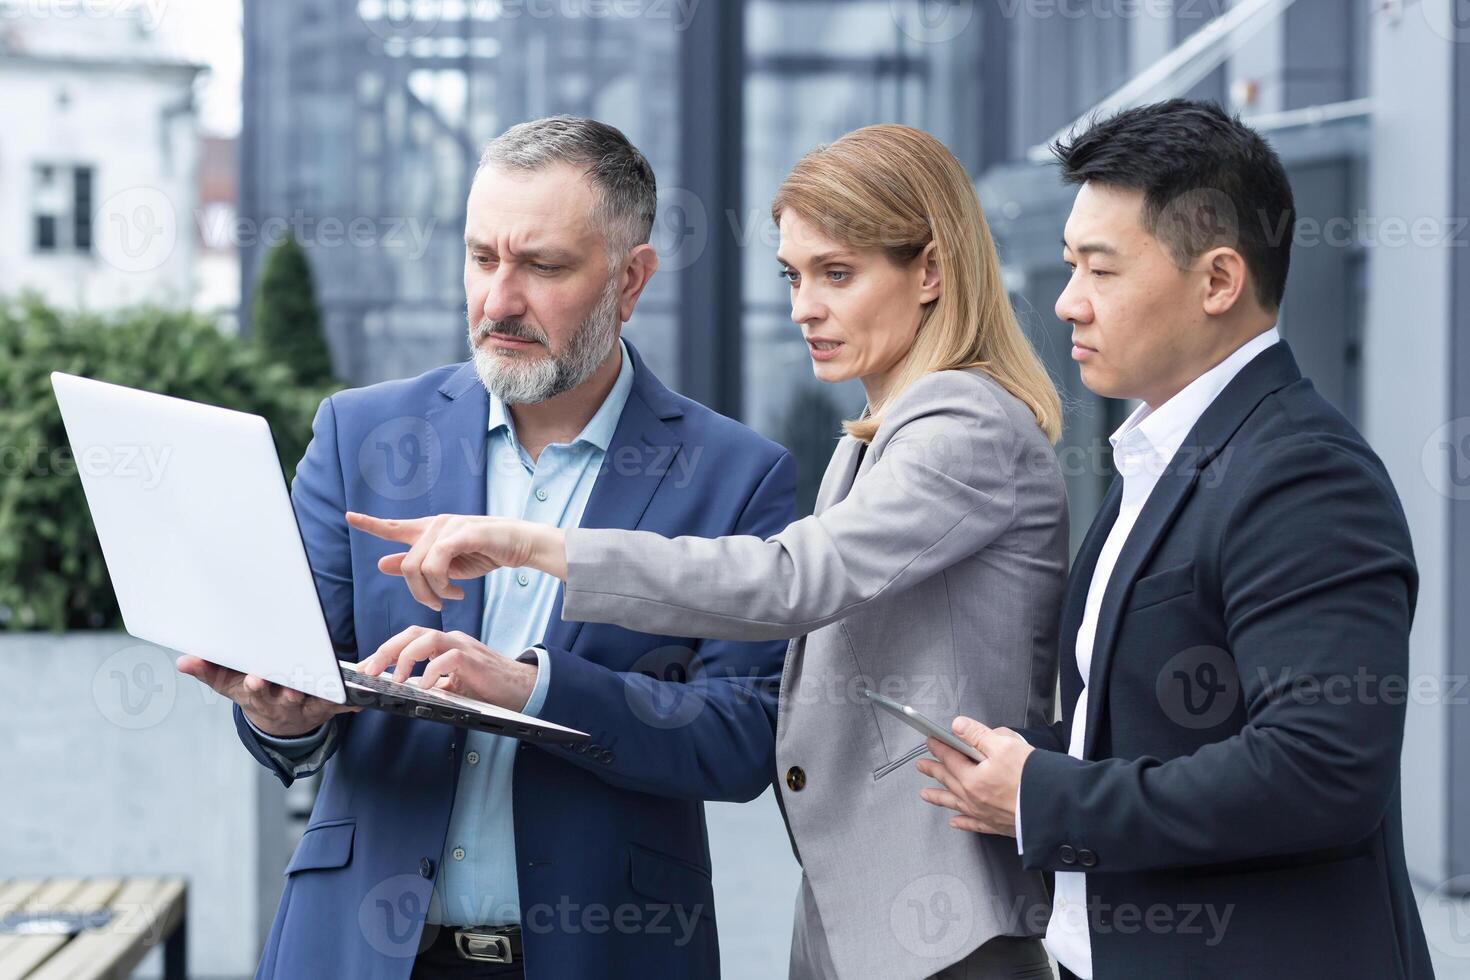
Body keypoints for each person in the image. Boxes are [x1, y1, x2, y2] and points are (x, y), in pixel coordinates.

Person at [349, 124, 1070, 980]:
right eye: (793, 275)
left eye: (837, 273)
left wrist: (530, 546)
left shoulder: (964, 423)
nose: (805, 306)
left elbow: (793, 581)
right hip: (874, 910)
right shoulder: (880, 433)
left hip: (940, 923)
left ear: (933, 271)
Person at [176, 116, 798, 979]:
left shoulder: (735, 475)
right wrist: (279, 716)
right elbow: (296, 679)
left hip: (606, 956)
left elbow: (740, 739)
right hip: (356, 951)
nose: (498, 300)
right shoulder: (360, 434)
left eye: (542, 266)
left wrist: (530, 688)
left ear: (631, 279)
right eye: (481, 258)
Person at [912, 99, 1436, 978]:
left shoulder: (1302, 474)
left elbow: (1319, 772)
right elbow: (1155, 728)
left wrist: (1045, 796)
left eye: (1102, 270)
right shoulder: (1162, 456)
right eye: (1071, 264)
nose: (1068, 302)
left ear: (1219, 281)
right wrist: (1023, 756)